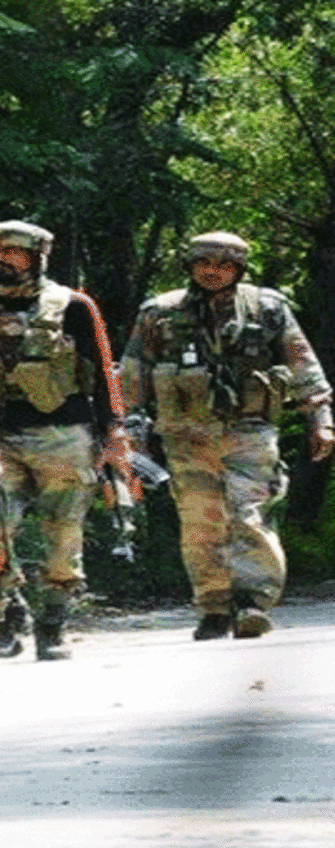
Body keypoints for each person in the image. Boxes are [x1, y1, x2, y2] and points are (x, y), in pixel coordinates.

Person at [121, 232, 334, 639]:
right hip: (186, 435)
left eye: (223, 265)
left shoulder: (267, 308)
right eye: (204, 263)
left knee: (248, 514)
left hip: (250, 430)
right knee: (201, 521)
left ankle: (252, 602)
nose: (212, 271)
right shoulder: (160, 313)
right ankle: (214, 607)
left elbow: (303, 364)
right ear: (190, 267)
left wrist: (320, 419)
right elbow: (133, 374)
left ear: (238, 269)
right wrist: (129, 430)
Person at [0, 221, 128, 661]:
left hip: (64, 435)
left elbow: (104, 369)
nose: (0, 259)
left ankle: (53, 621)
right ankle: (9, 608)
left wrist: (114, 432)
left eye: (11, 251)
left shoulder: (73, 306)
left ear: (36, 256)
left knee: (63, 531)